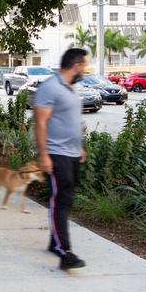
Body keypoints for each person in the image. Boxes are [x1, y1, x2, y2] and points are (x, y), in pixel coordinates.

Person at [34, 48, 88, 270]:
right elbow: (40, 123)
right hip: (56, 154)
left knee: (65, 199)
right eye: (84, 65)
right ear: (76, 66)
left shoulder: (69, 88)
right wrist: (44, 154)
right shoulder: (51, 87)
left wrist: (79, 147)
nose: (85, 69)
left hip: (72, 153)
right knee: (61, 200)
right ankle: (64, 252)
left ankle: (53, 241)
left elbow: (69, 120)